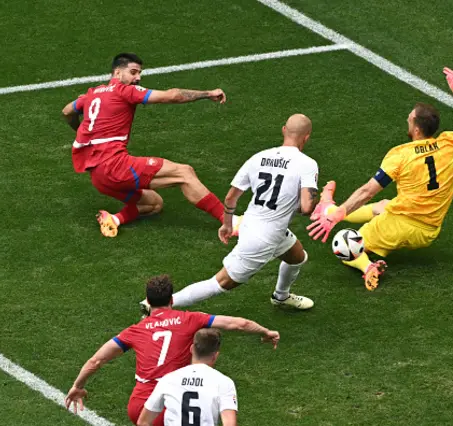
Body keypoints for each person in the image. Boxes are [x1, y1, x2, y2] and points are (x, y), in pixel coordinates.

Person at [308, 68, 453, 290]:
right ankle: (327, 208)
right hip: (429, 225)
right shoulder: (450, 143)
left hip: (405, 225)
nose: (407, 119)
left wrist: (338, 217)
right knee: (383, 206)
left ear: (416, 128)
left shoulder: (400, 155)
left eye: (410, 118)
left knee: (346, 244)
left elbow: (367, 191)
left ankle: (368, 267)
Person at [64, 275, 279, 425]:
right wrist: (265, 331)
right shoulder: (190, 319)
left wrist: (77, 386)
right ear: (172, 300)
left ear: (148, 302)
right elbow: (237, 324)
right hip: (171, 403)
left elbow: (96, 361)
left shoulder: (134, 331)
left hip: (140, 405)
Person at [62, 52, 231, 237]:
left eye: (140, 73)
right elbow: (172, 96)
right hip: (115, 167)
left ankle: (114, 219)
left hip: (99, 178)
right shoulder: (124, 91)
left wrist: (81, 131)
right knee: (184, 173)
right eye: (133, 72)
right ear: (117, 73)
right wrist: (207, 93)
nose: (138, 78)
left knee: (153, 203)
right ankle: (231, 223)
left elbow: (67, 111)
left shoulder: (91, 94)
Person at [165, 114, 319, 311]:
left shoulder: (258, 158)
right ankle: (159, 304)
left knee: (297, 256)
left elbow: (230, 198)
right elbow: (306, 208)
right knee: (219, 283)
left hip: (252, 223)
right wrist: (320, 200)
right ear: (306, 137)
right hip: (263, 238)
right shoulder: (307, 164)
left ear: (283, 130)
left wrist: (227, 223)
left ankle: (281, 296)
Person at [138, 329, 238, 426]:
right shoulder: (224, 382)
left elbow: (143, 422)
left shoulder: (168, 379)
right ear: (215, 355)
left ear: (191, 349)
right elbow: (230, 423)